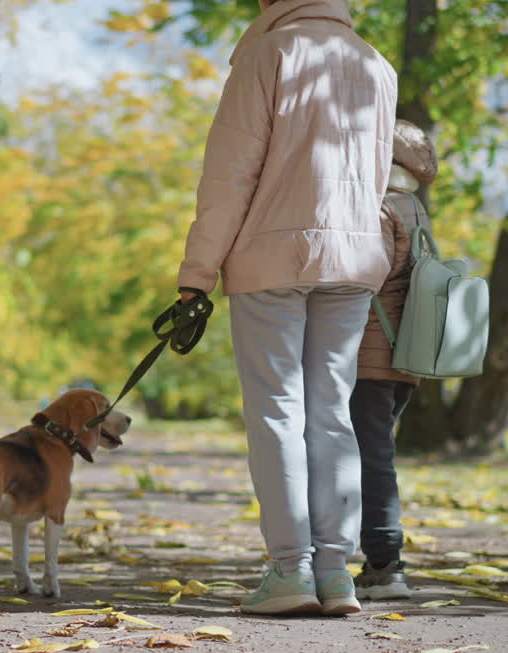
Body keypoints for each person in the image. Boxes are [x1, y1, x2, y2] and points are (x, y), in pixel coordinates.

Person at [175, 0, 397, 615]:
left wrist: (197, 273)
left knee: (278, 410)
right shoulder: (377, 64)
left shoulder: (267, 52)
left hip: (272, 256)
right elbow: (379, 176)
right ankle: (336, 575)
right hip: (353, 259)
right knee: (332, 412)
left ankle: (290, 571)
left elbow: (229, 176)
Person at [351, 120, 437, 600]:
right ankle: (376, 562)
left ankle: (386, 565)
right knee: (375, 454)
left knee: (372, 459)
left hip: (370, 353)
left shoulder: (380, 207)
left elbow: (366, 275)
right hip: (404, 354)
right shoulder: (414, 206)